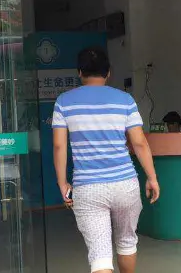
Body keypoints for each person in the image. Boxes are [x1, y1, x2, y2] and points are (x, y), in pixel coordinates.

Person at [52, 46, 159, 273]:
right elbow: (139, 143)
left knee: (100, 255)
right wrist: (152, 177)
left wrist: (62, 183)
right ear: (108, 72)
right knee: (127, 242)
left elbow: (59, 145)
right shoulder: (125, 100)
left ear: (79, 72)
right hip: (125, 184)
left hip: (88, 188)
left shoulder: (64, 102)